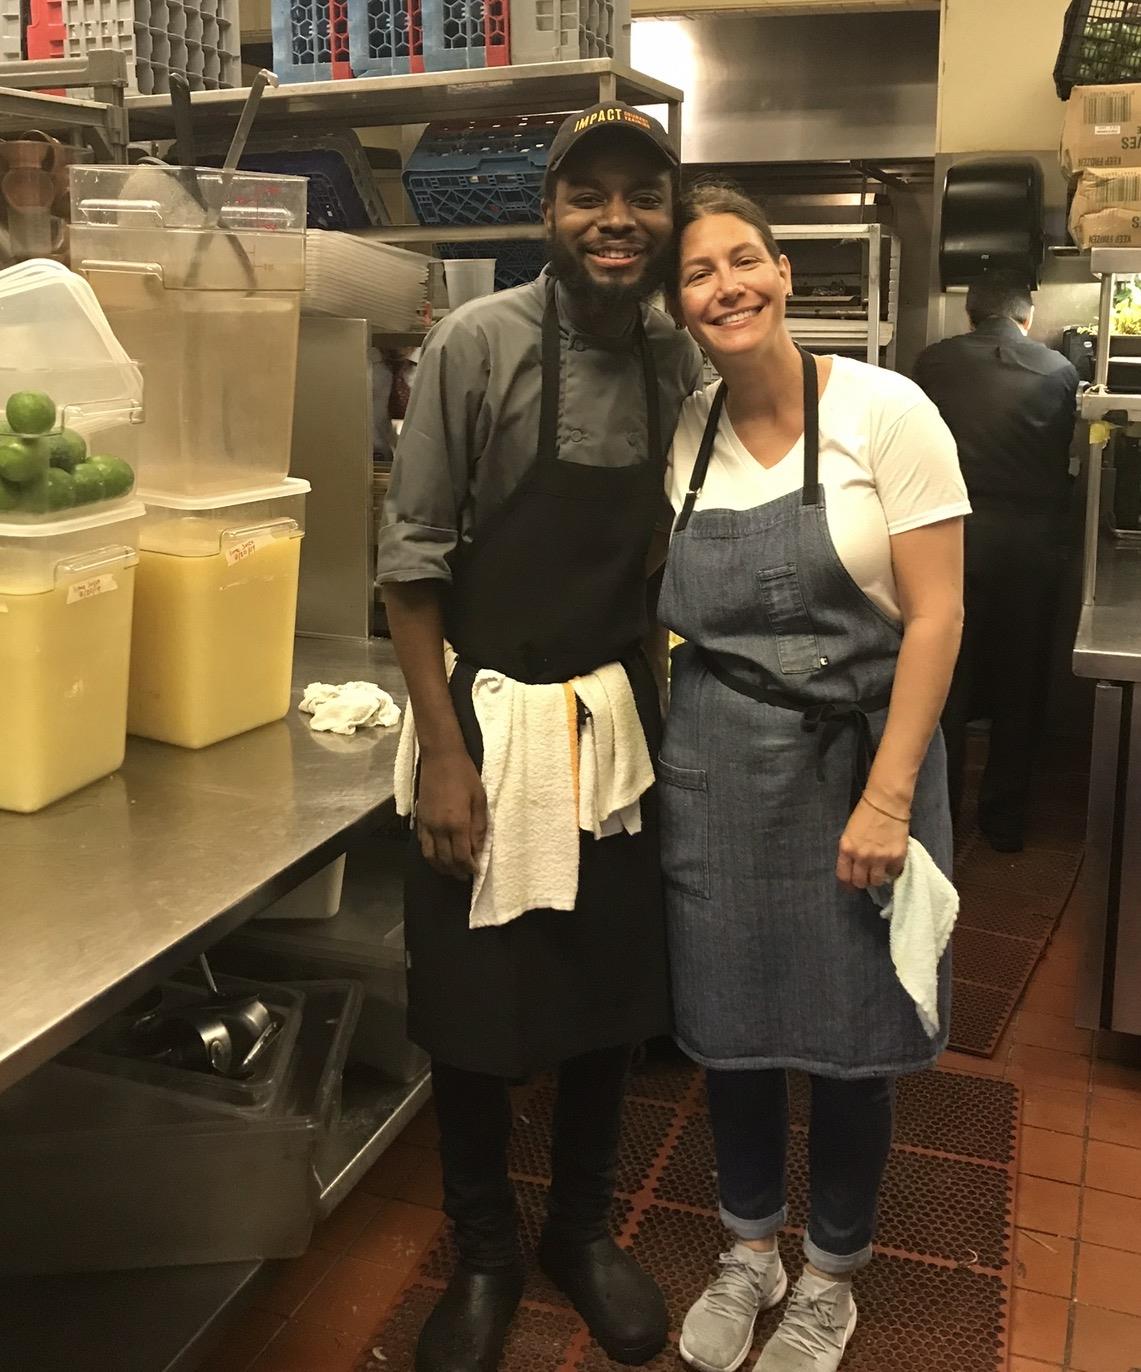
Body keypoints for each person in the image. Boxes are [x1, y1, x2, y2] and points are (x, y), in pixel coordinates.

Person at [377, 103, 703, 1372]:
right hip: (486, 719)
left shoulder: (678, 358)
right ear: (549, 212)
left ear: (668, 214)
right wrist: (445, 755)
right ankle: (483, 1252)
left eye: (642, 196)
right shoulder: (477, 343)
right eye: (588, 195)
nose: (616, 220)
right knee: (472, 1003)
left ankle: (578, 1229)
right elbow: (411, 567)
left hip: (611, 724)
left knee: (603, 990)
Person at [658, 184, 969, 1372]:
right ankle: (749, 1250)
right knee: (731, 1030)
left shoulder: (886, 411)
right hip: (717, 763)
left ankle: (831, 1272)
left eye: (743, 259)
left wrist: (888, 796)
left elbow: (936, 618)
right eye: (698, 272)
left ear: (783, 273)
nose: (726, 286)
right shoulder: (683, 432)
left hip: (860, 758)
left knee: (853, 1039)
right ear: (678, 304)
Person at [914, 271, 1079, 851]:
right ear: (1026, 319)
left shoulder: (933, 363)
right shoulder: (1061, 370)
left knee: (945, 680)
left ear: (970, 316)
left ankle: (941, 820)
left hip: (950, 539)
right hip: (1032, 547)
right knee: (1021, 682)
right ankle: (1004, 823)